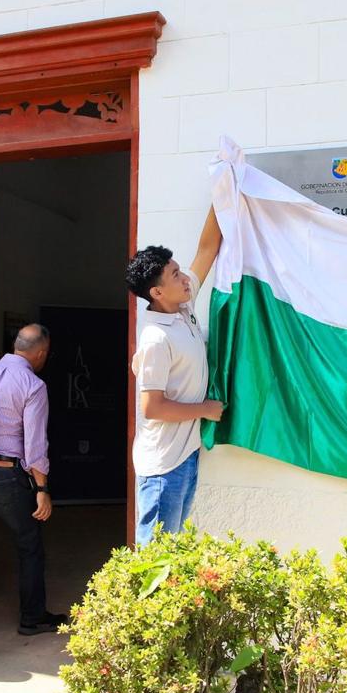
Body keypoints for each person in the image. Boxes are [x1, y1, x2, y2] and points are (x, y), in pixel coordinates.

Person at [126, 207, 226, 545]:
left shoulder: (183, 308)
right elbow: (152, 407)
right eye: (175, 275)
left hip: (186, 455)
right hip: (163, 466)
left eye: (180, 271)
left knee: (172, 553)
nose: (185, 279)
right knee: (154, 563)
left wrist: (223, 189)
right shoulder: (156, 338)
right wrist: (205, 409)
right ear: (156, 292)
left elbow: (208, 248)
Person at [0, 324, 67, 636]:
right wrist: (42, 488)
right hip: (10, 477)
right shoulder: (33, 384)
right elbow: (35, 445)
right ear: (40, 353)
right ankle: (32, 618)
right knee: (29, 546)